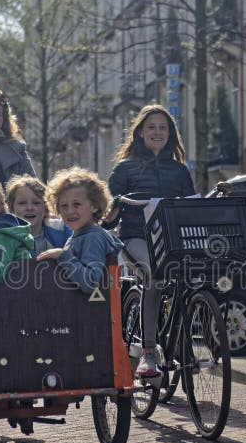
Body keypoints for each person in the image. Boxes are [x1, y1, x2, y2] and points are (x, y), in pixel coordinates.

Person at [104, 104, 195, 377]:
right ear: (140, 132)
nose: (158, 132)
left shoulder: (180, 171)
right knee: (153, 277)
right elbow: (108, 216)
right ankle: (148, 352)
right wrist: (115, 205)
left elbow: (190, 206)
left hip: (172, 240)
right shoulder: (125, 169)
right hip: (136, 238)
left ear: (170, 133)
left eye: (163, 127)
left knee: (195, 276)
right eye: (152, 127)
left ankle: (180, 341)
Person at [36, 166, 123, 295]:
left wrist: (62, 255)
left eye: (76, 204)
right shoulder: (79, 236)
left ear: (94, 206)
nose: (70, 211)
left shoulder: (93, 238)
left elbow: (90, 283)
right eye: (64, 206)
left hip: (95, 312)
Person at [5, 175, 72, 255]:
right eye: (22, 203)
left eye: (36, 203)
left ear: (46, 207)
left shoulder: (62, 229)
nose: (29, 208)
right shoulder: (5, 238)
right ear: (12, 208)